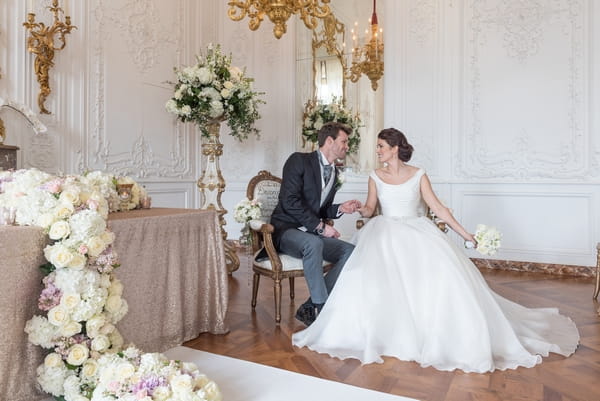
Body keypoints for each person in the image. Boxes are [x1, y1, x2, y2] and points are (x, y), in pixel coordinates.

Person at [292, 128, 580, 372]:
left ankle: (433, 334)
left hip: (417, 232)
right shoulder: (375, 176)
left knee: (437, 281)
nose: (377, 151)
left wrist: (467, 235)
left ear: (394, 149)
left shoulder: (419, 175)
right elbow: (370, 210)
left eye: (380, 146)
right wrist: (355, 207)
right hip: (383, 232)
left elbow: (438, 208)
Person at [270, 122, 362, 326]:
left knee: (351, 251)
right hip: (286, 231)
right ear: (330, 141)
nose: (347, 146)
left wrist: (340, 208)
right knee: (315, 243)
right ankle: (322, 310)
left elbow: (320, 208)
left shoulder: (336, 173)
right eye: (344, 141)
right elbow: (289, 201)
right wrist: (321, 228)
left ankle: (311, 306)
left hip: (310, 233)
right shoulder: (298, 161)